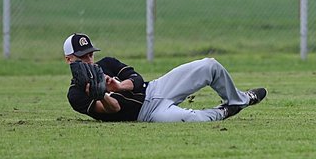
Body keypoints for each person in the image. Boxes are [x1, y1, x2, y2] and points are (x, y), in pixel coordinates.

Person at [63, 33, 267, 122]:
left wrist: (118, 86)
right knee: (189, 118)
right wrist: (101, 95)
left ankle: (242, 99)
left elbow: (136, 79)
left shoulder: (106, 63)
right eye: (83, 56)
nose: (90, 59)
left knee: (209, 65)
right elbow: (113, 110)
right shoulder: (76, 95)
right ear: (69, 60)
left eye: (90, 53)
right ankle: (224, 112)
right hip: (148, 115)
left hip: (156, 88)